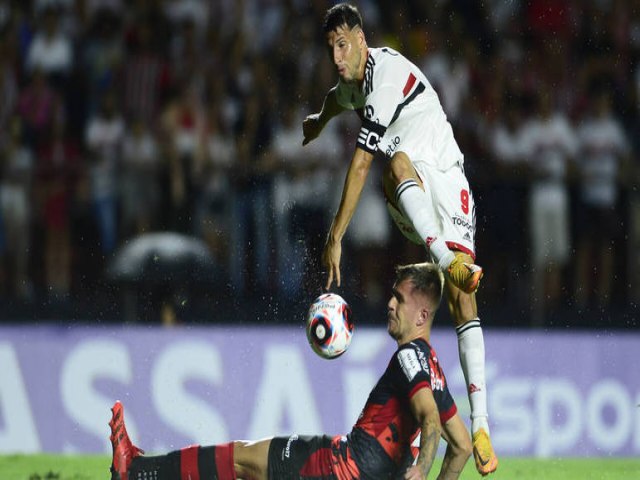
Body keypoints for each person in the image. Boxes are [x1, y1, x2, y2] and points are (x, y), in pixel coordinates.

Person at [301, 4, 497, 474]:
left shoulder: (386, 77)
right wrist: (319, 120)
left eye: (343, 44)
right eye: (330, 48)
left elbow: (361, 160)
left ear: (362, 38)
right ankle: (443, 258)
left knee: (463, 299)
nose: (336, 56)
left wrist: (336, 235)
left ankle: (483, 426)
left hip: (447, 181)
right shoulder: (354, 83)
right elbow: (336, 98)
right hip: (414, 191)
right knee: (398, 163)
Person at [110, 263, 471, 479]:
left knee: (240, 458)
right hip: (351, 469)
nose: (390, 304)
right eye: (393, 295)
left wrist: (422, 471)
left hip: (338, 466)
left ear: (422, 316)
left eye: (400, 299)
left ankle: (135, 472)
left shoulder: (410, 357)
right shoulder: (434, 368)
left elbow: (430, 421)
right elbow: (463, 447)